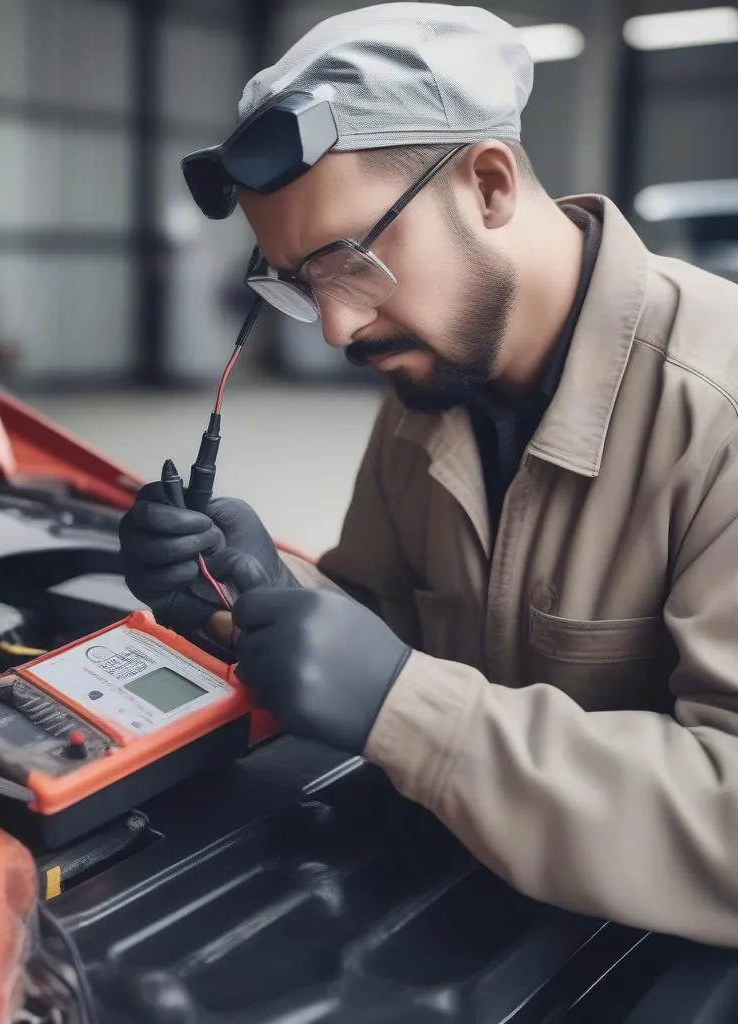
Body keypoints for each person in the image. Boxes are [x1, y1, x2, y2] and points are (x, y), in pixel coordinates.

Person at [118, 2, 738, 947]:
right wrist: (268, 595)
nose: (336, 328)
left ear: (489, 185)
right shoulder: (430, 395)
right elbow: (398, 630)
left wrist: (410, 710)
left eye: (349, 263)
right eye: (298, 284)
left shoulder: (719, 411)